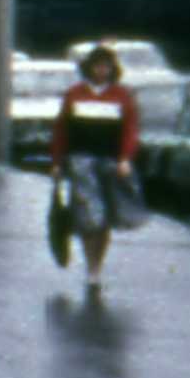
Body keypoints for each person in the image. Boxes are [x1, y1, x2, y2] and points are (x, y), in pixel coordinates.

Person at [48, 42, 143, 289]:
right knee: (89, 217)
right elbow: (61, 131)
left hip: (111, 162)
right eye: (97, 66)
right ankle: (91, 266)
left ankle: (96, 267)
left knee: (105, 219)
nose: (102, 71)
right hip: (81, 161)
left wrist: (125, 158)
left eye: (106, 66)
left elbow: (130, 130)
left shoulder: (122, 96)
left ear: (113, 69)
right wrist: (57, 162)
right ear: (88, 68)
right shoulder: (74, 94)